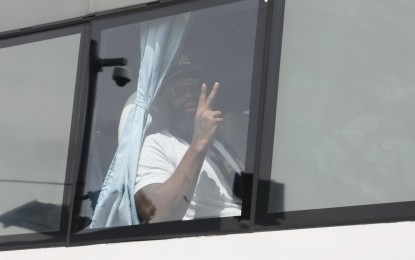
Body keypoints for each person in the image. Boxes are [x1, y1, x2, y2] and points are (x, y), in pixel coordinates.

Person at [134, 68, 244, 223]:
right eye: (179, 89)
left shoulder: (225, 145)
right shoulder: (157, 143)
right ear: (164, 99)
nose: (189, 95)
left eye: (196, 88)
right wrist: (199, 142)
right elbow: (156, 215)